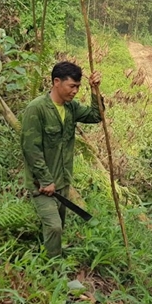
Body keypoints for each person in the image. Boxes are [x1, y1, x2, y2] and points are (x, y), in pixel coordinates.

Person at [21, 61, 101, 257]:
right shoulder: (37, 109)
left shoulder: (71, 108)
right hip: (41, 184)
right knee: (55, 226)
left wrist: (95, 90)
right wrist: (46, 179)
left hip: (63, 182)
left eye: (78, 87)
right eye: (72, 86)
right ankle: (53, 270)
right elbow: (31, 148)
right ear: (57, 82)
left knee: (58, 227)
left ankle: (50, 260)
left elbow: (95, 115)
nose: (75, 91)